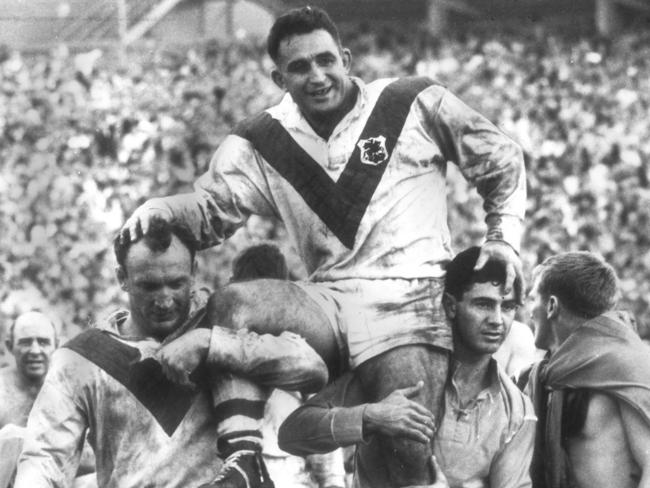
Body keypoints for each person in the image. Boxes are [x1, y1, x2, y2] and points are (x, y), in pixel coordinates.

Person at [122, 6, 526, 486]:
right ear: (279, 77)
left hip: (412, 301)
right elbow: (211, 212)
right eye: (299, 67)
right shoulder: (261, 138)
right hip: (329, 301)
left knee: (404, 445)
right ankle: (245, 460)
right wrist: (165, 208)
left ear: (347, 59)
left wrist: (503, 237)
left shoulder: (412, 101)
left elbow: (499, 157)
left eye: (325, 60)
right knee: (236, 302)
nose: (316, 75)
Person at [14, 217, 328, 488]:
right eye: (149, 286)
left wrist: (212, 343)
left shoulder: (228, 319)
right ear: (122, 277)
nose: (164, 299)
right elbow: (44, 460)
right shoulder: (83, 358)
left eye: (176, 283)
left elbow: (312, 367)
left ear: (194, 269)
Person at [277, 246, 536, 488]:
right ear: (450, 305)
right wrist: (370, 417)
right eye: (483, 304)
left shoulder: (515, 410)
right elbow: (291, 433)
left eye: (509, 307)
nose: (497, 320)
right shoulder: (397, 365)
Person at [526, 251, 650, 488]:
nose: (529, 310)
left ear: (551, 306)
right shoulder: (546, 374)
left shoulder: (626, 365)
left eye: (533, 299)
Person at [229, 244, 346, 488]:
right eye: (247, 296)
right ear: (232, 289)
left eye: (266, 297)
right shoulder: (220, 350)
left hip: (289, 476)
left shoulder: (301, 352)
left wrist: (333, 483)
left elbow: (324, 445)